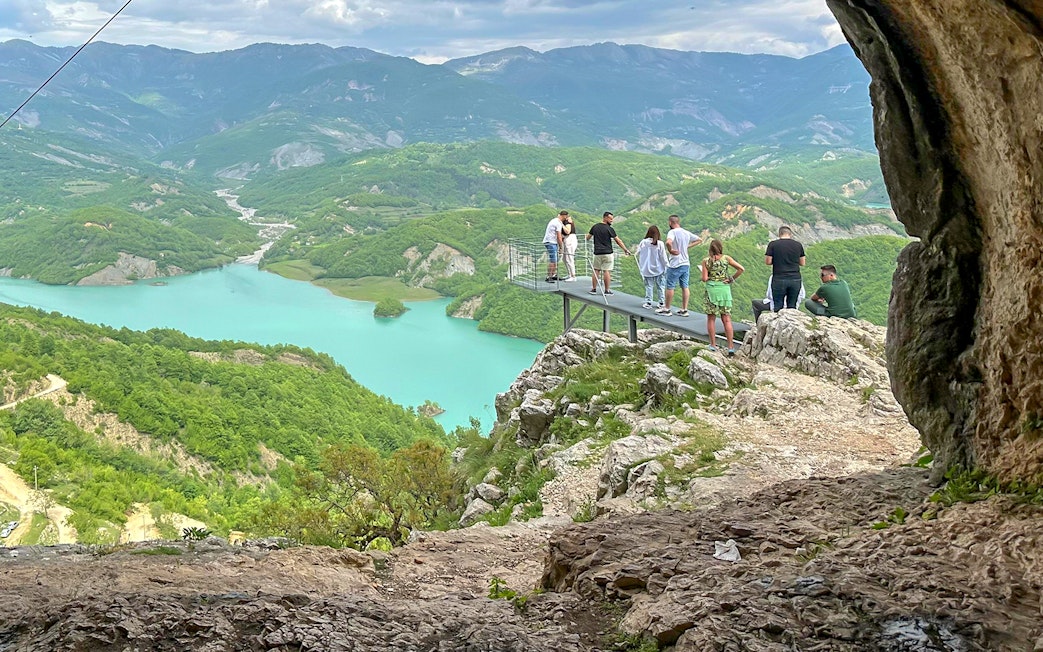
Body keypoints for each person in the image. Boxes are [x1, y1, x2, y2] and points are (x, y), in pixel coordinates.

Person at [701, 239, 744, 353]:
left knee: (711, 319)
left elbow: (704, 279)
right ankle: (730, 347)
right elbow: (741, 269)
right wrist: (731, 279)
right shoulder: (726, 259)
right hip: (724, 291)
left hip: (711, 292)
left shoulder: (706, 261)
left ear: (710, 249)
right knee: (726, 319)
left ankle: (713, 345)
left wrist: (710, 277)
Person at [657, 214, 702, 316]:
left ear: (670, 222)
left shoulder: (672, 232)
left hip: (675, 264)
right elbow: (699, 240)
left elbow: (668, 242)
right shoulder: (686, 232)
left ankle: (667, 309)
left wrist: (671, 250)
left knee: (670, 286)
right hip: (686, 263)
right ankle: (684, 309)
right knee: (685, 286)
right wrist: (687, 246)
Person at [585, 212, 631, 295]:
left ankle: (594, 289)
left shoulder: (595, 227)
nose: (611, 221)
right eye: (610, 219)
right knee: (607, 271)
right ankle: (607, 290)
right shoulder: (609, 229)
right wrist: (625, 249)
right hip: (608, 253)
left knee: (596, 270)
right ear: (605, 218)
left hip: (597, 252)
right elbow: (618, 241)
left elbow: (588, 237)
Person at [764, 225, 805, 310]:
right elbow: (802, 263)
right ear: (790, 234)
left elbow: (768, 262)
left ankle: (779, 322)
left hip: (779, 278)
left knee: (778, 306)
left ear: (779, 234)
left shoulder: (773, 244)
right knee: (792, 307)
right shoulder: (798, 245)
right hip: (795, 278)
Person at [636, 225, 668, 309]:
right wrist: (667, 266)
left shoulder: (643, 242)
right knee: (660, 286)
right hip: (658, 268)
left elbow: (637, 252)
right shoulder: (659, 243)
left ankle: (648, 302)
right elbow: (663, 257)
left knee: (649, 286)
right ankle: (661, 303)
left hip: (646, 268)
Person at [542, 210, 566, 282]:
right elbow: (559, 236)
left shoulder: (554, 220)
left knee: (554, 259)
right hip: (551, 242)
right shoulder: (558, 223)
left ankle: (553, 275)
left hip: (549, 241)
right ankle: (549, 276)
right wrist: (561, 247)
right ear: (564, 216)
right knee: (553, 260)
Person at [560, 210, 578, 281]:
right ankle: (569, 274)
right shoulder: (566, 221)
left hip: (570, 238)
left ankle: (573, 276)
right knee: (565, 258)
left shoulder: (567, 222)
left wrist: (561, 224)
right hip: (566, 239)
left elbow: (568, 231)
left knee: (569, 258)